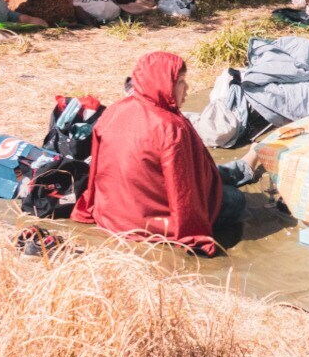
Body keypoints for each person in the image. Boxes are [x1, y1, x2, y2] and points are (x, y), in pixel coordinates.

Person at [74, 52, 244, 255]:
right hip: (147, 221)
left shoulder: (114, 110)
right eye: (181, 81)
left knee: (216, 176)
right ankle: (243, 170)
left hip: (112, 212)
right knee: (236, 200)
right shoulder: (169, 126)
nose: (187, 88)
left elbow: (97, 171)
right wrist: (193, 232)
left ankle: (240, 170)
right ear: (163, 84)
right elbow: (182, 191)